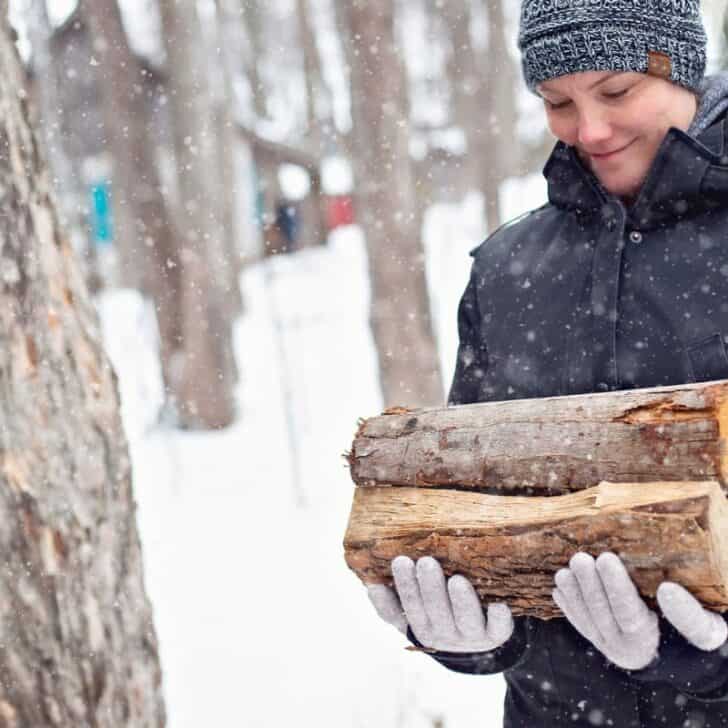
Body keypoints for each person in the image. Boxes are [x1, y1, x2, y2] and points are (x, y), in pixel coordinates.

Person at [366, 1, 728, 726]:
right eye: (557, 102)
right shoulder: (506, 271)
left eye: (617, 91)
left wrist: (712, 659)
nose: (589, 129)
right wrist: (473, 635)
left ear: (681, 66)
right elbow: (478, 509)